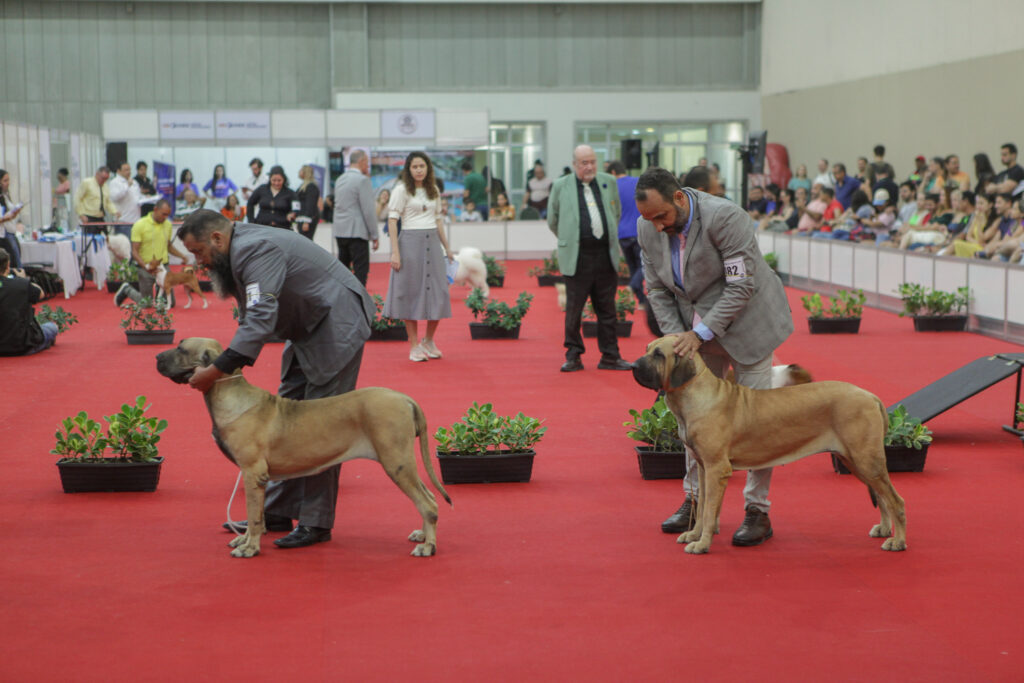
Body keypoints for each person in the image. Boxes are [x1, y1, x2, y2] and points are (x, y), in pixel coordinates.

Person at [178, 209, 375, 550]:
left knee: (321, 425)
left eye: (199, 253)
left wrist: (217, 370)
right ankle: (277, 512)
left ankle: (315, 522)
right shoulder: (238, 247)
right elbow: (256, 316)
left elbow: (260, 317)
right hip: (305, 325)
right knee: (285, 418)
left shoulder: (256, 250)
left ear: (217, 239)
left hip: (336, 321)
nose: (199, 264)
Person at [634, 166, 793, 547]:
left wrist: (699, 333)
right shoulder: (647, 228)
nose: (656, 227)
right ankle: (695, 503)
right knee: (695, 420)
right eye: (648, 219)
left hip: (750, 325)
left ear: (678, 198)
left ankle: (757, 510)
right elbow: (656, 290)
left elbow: (741, 286)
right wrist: (676, 338)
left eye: (662, 217)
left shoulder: (726, 217)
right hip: (693, 335)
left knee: (758, 423)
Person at [548, 144, 629, 373]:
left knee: (607, 309)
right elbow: (552, 219)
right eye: (584, 163)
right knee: (574, 309)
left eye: (592, 161)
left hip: (605, 255)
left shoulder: (608, 181)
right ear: (574, 164)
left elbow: (616, 213)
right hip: (577, 256)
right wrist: (569, 238)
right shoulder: (560, 186)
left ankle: (610, 356)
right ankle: (573, 355)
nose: (589, 166)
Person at [383, 151, 453, 363]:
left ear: (428, 168)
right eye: (415, 167)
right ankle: (414, 345)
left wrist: (447, 248)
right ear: (408, 169)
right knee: (410, 293)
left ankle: (428, 340)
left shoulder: (434, 191)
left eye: (422, 166)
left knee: (439, 292)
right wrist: (395, 251)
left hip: (432, 241)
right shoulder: (401, 190)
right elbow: (392, 221)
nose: (419, 170)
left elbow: (439, 220)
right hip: (409, 243)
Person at [113, 199, 192, 307]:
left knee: (170, 303)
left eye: (168, 215)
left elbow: (168, 246)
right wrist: (145, 267)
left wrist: (181, 256)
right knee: (146, 304)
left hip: (163, 267)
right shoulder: (140, 225)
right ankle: (127, 289)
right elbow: (134, 251)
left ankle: (158, 294)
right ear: (155, 209)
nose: (165, 217)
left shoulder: (168, 225)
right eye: (163, 214)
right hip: (145, 267)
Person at [332, 149, 378, 286]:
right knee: (360, 271)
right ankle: (358, 304)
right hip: (356, 232)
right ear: (362, 161)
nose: (367, 166)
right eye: (367, 162)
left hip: (340, 231)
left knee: (343, 272)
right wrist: (374, 235)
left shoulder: (340, 179)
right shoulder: (362, 180)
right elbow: (368, 210)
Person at [0, 247, 58, 356]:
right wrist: (23, 279)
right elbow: (40, 293)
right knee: (52, 327)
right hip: (21, 344)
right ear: (8, 265)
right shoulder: (20, 285)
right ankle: (43, 343)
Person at [609, 161, 644, 307]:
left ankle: (641, 300)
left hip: (622, 233)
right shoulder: (638, 182)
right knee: (644, 266)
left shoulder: (612, 188)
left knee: (633, 268)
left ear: (612, 173)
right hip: (639, 230)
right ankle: (632, 287)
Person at [246, 165, 296, 230]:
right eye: (274, 180)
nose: (276, 183)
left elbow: (296, 208)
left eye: (279, 180)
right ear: (270, 179)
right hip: (262, 227)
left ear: (284, 179)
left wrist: (292, 214)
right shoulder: (262, 189)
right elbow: (250, 203)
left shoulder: (290, 193)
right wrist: (251, 221)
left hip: (282, 228)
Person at [73, 165, 116, 235]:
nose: (104, 181)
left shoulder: (105, 186)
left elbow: (108, 202)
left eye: (106, 179)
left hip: (100, 217)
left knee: (105, 239)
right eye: (103, 178)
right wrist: (81, 215)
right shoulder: (87, 183)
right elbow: (77, 198)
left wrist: (114, 212)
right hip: (89, 217)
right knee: (90, 240)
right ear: (97, 174)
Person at [0, 168, 26, 268]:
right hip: (5, 233)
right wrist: (6, 218)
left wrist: (14, 213)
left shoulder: (5, 195)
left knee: (16, 259)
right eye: (5, 180)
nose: (8, 183)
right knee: (15, 262)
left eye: (8, 180)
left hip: (10, 230)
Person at [108, 161, 144, 229]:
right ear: (118, 171)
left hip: (136, 220)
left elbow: (137, 196)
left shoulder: (134, 182)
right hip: (123, 221)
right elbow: (115, 197)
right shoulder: (114, 182)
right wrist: (127, 186)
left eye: (129, 169)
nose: (129, 172)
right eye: (126, 170)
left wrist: (146, 197)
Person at [295, 165, 321, 241]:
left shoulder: (311, 187)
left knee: (306, 240)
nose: (299, 172)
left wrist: (307, 221)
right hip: (301, 217)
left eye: (301, 170)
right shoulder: (303, 186)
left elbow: (311, 204)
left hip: (307, 219)